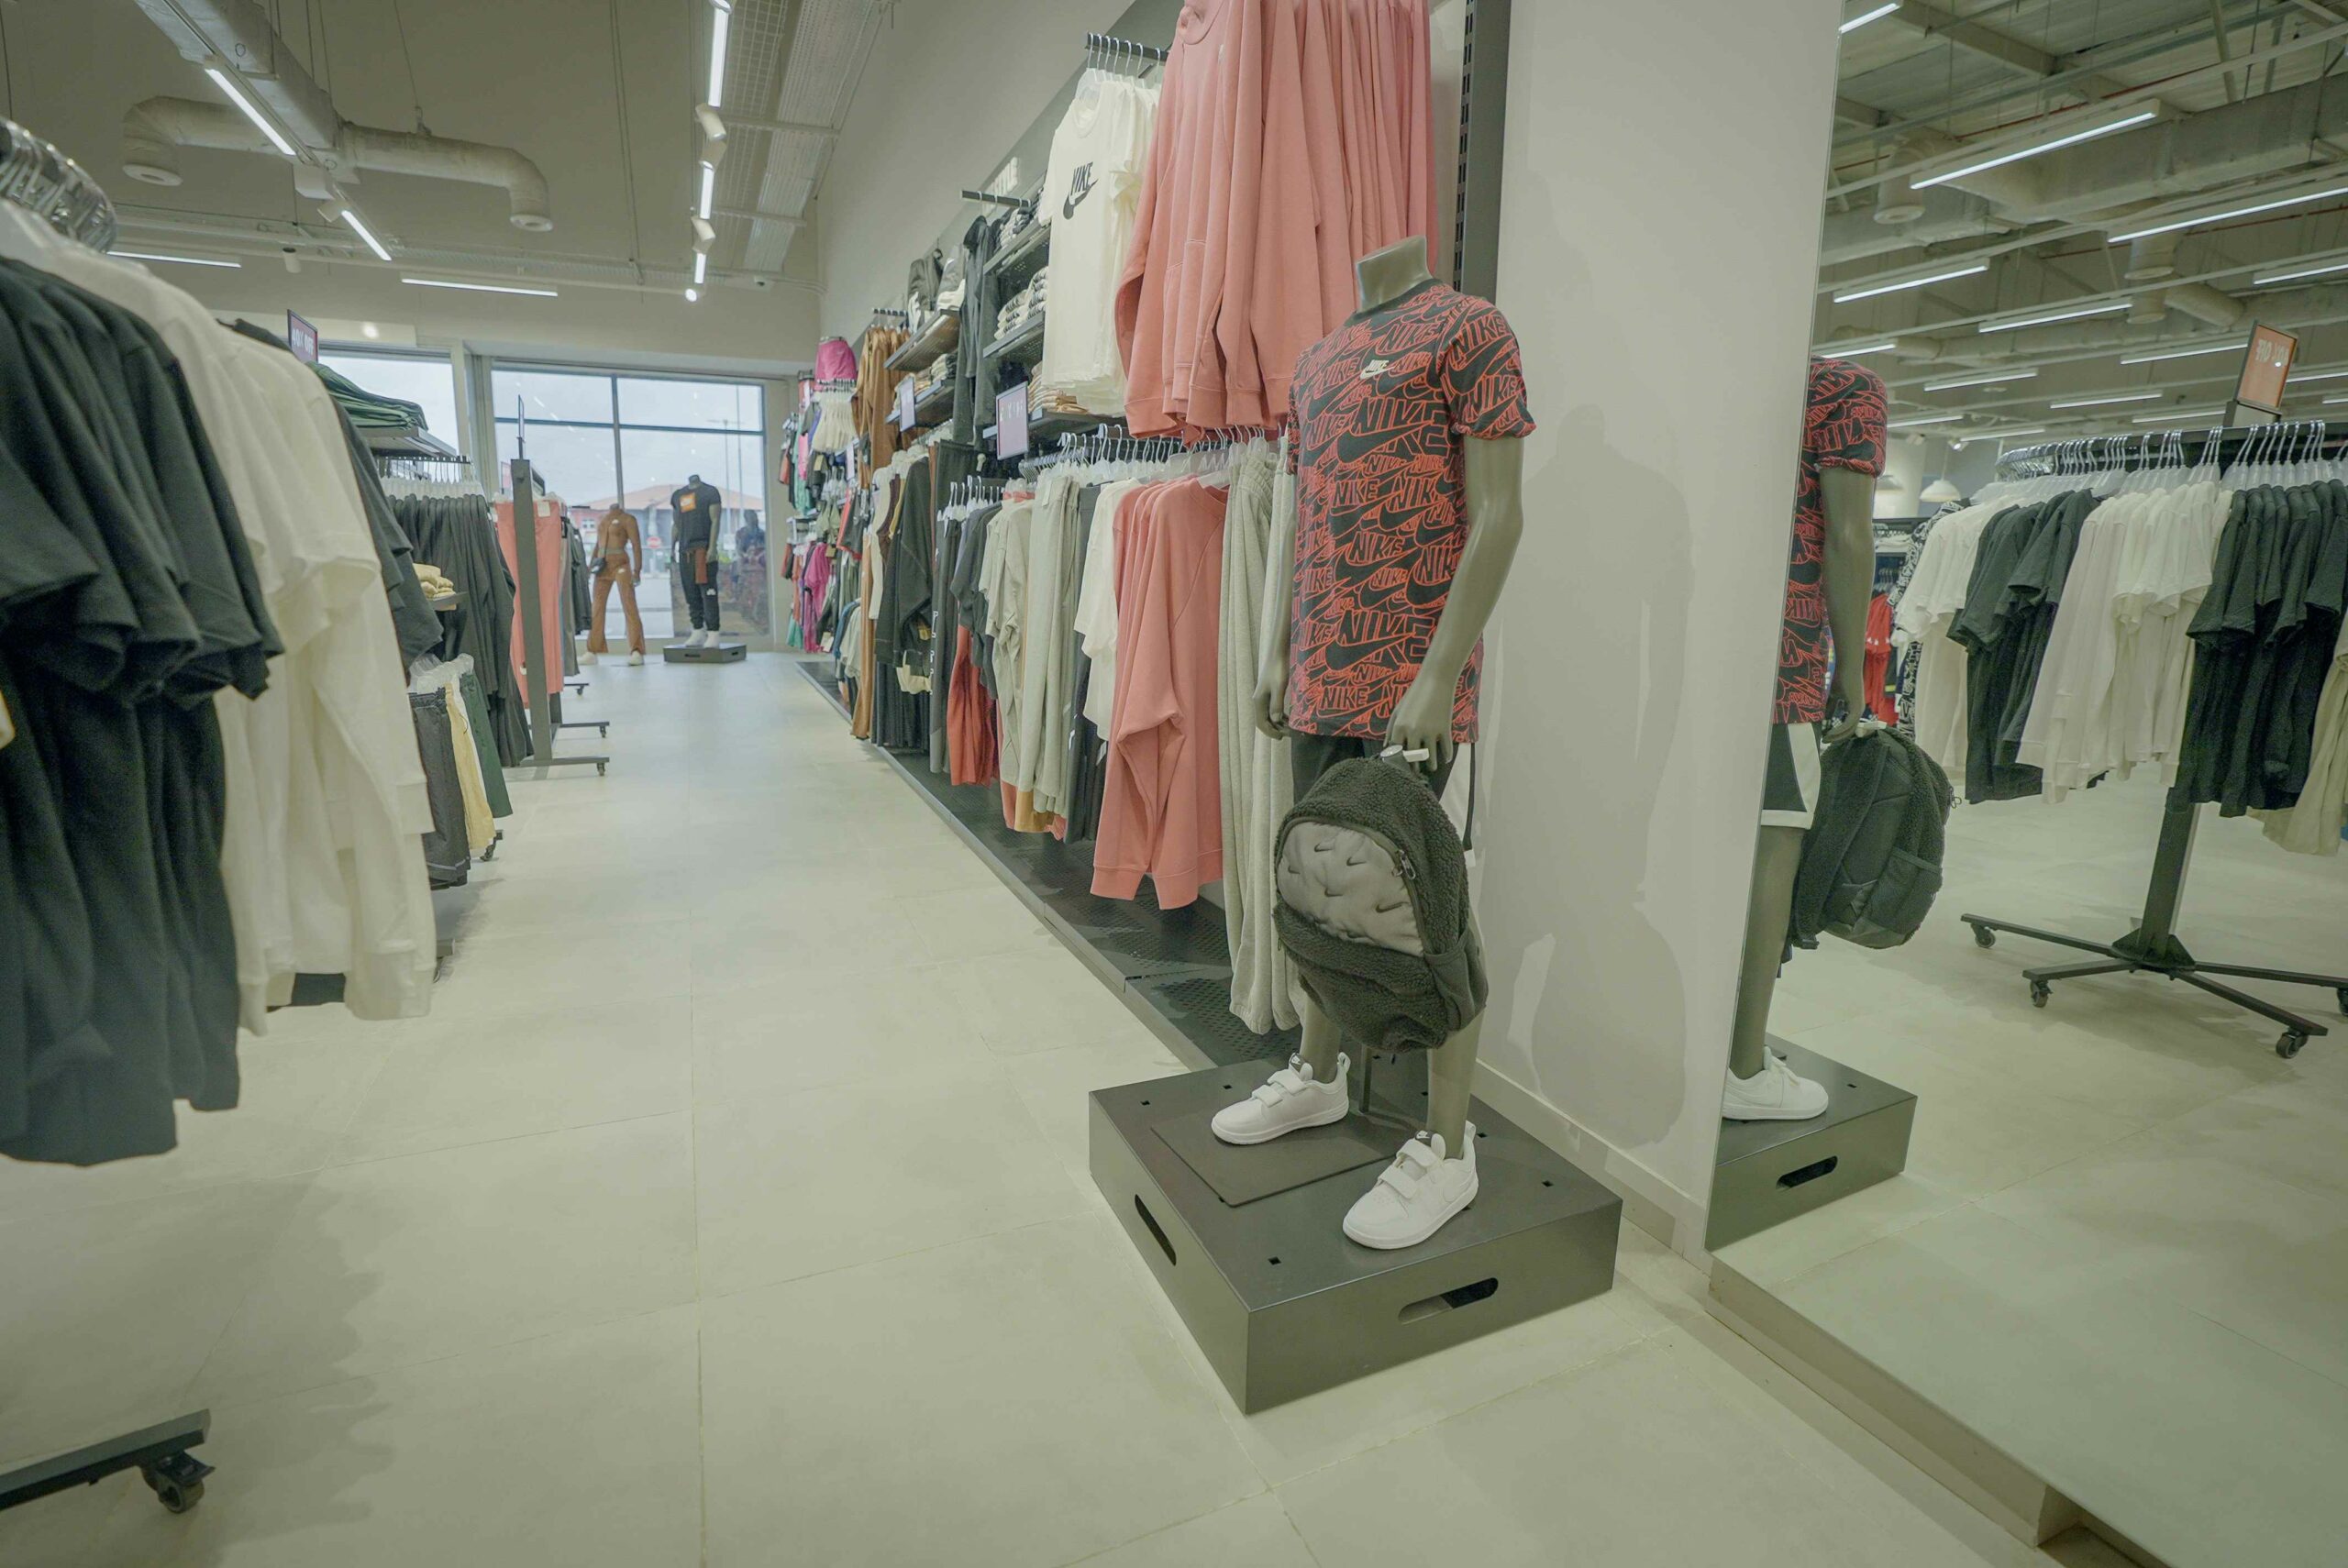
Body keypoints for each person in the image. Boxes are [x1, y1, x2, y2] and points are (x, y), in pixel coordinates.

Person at [584, 504, 645, 664]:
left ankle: (636, 650)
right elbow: (598, 545)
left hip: (620, 564)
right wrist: (591, 567)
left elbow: (636, 545)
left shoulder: (628, 520)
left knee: (629, 605)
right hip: (602, 566)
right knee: (596, 608)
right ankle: (592, 650)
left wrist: (637, 570)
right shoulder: (604, 519)